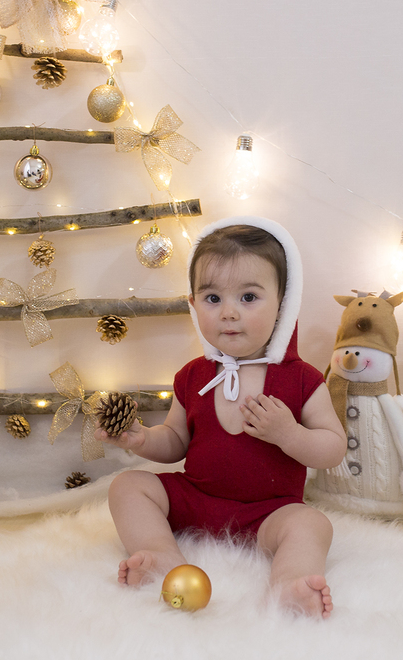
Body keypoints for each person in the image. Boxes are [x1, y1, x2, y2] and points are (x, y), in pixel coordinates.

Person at [98, 217, 347, 618]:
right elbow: (176, 440)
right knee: (128, 486)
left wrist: (289, 435)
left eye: (248, 297)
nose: (229, 313)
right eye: (213, 299)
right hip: (196, 500)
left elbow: (333, 449)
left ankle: (289, 584)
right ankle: (162, 555)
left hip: (269, 512)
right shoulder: (193, 375)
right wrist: (143, 440)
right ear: (194, 305)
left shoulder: (300, 378)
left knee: (312, 524)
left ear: (283, 302)